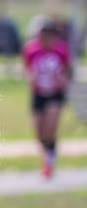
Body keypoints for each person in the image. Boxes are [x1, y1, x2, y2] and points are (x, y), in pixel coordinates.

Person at [23, 17, 72, 179]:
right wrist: (31, 77)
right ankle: (47, 155)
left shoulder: (61, 50)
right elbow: (26, 70)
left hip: (55, 94)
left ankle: (49, 162)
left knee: (51, 129)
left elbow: (68, 71)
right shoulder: (31, 50)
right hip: (39, 93)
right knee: (40, 135)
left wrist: (62, 79)